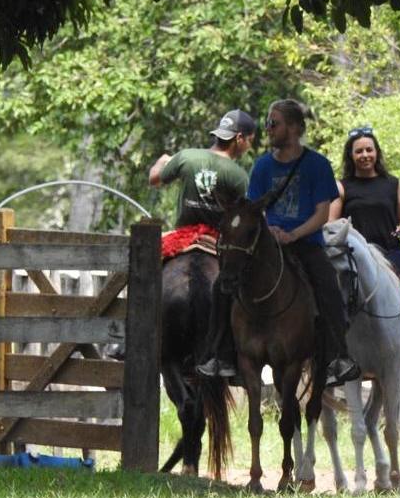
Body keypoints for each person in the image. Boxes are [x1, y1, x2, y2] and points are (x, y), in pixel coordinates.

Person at [197, 99, 360, 387]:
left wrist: (294, 235)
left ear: (295, 128)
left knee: (329, 287)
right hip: (267, 243)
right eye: (268, 123)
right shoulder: (262, 166)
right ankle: (220, 355)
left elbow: (323, 213)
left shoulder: (317, 165)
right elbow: (254, 207)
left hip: (305, 243)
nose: (269, 128)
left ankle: (337, 357)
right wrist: (269, 229)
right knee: (224, 283)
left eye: (275, 123)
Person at [147, 109, 254, 364]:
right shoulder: (239, 176)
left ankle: (130, 339)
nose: (249, 145)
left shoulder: (186, 157)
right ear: (239, 138)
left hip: (181, 237)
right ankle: (237, 352)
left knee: (144, 274)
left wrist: (163, 159)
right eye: (250, 140)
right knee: (245, 286)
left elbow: (154, 179)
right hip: (217, 241)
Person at [328, 126, 400, 375]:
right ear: (350, 155)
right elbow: (330, 225)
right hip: (354, 256)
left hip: (389, 252)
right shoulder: (342, 187)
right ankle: (333, 354)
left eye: (369, 150)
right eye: (359, 151)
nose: (365, 155)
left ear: (377, 152)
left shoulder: (392, 184)